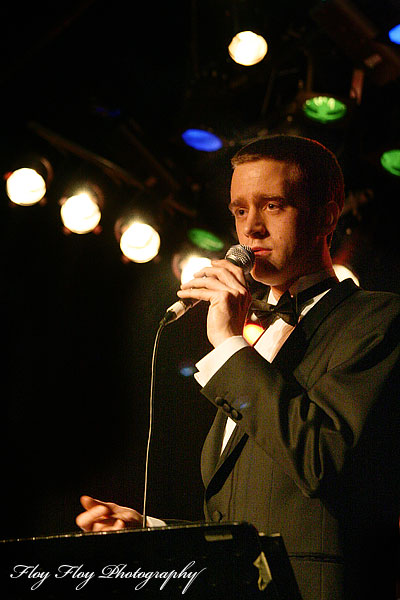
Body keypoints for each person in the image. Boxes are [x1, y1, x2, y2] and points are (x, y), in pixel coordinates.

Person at [76, 135, 400, 600]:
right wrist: (151, 532)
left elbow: (322, 460)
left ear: (328, 215)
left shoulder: (377, 319)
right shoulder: (259, 343)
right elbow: (246, 519)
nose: (251, 230)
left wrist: (228, 344)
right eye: (239, 211)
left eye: (273, 206)